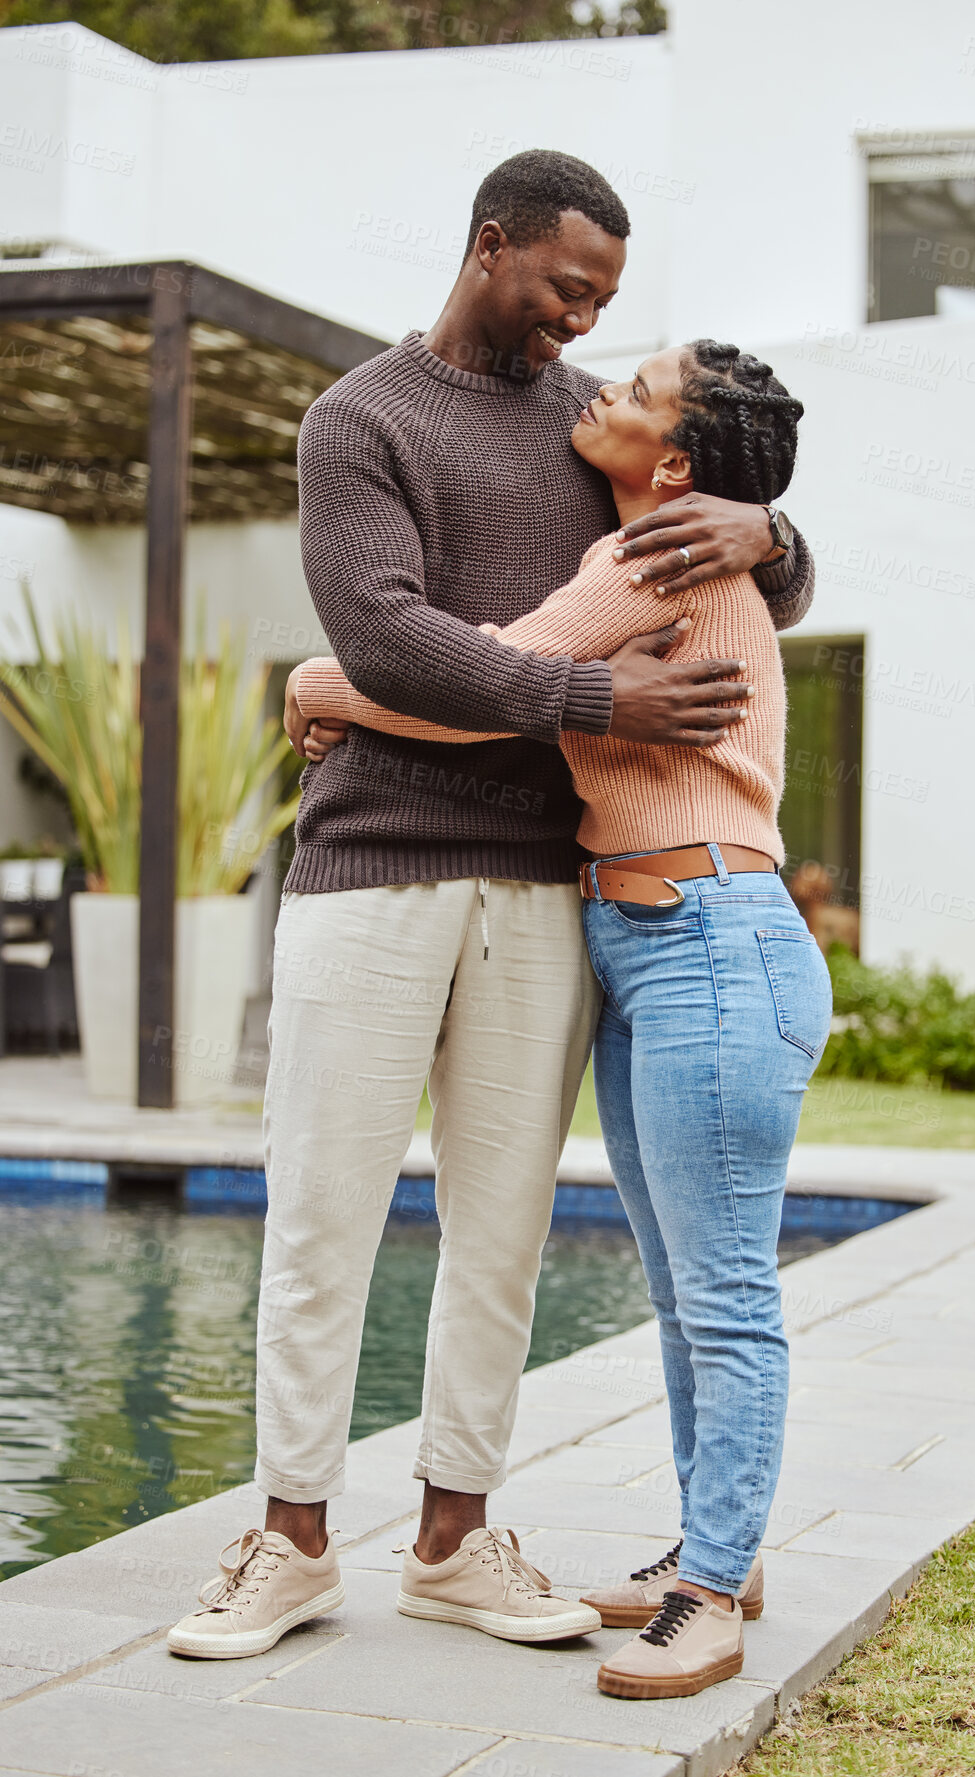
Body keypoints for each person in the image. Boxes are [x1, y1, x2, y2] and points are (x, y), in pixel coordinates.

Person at [166, 151, 815, 1663]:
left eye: (604, 302)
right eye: (564, 287)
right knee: (324, 1216)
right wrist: (585, 696)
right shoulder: (360, 420)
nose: (579, 323)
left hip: (549, 885)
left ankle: (456, 1538)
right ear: (488, 245)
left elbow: (731, 537)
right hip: (372, 864)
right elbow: (389, 632)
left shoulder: (594, 427)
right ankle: (294, 1535)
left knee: (507, 1232)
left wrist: (773, 533)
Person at [289, 338, 832, 1701]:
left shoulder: (654, 557)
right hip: (655, 941)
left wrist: (322, 687)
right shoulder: (670, 536)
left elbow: (488, 681)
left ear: (675, 466)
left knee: (724, 1292)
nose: (603, 385)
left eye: (638, 389)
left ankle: (708, 1595)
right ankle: (719, 1553)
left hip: (712, 939)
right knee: (684, 1284)